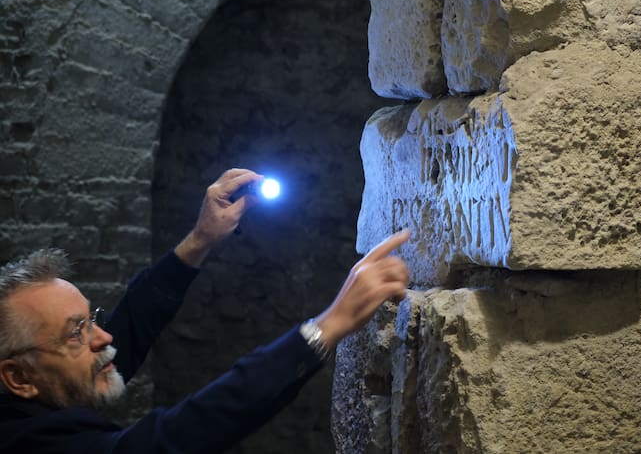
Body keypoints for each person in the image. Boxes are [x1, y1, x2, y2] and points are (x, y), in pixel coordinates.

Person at [0, 168, 410, 453]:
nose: (103, 338)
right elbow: (177, 437)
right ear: (19, 377)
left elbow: (126, 330)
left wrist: (200, 239)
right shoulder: (29, 442)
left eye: (92, 320)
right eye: (77, 332)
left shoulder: (40, 386)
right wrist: (329, 325)